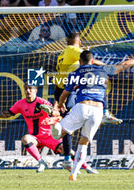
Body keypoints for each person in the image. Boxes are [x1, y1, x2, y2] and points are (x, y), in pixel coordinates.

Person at [45, 50, 134, 181]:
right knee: (84, 143)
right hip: (98, 111)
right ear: (92, 60)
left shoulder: (74, 74)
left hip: (81, 107)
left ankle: (56, 123)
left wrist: (60, 104)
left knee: (58, 135)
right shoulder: (103, 70)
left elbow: (65, 93)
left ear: (80, 62)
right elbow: (123, 65)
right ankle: (74, 173)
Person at [0, 83, 98, 174]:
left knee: (68, 151)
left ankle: (87, 167)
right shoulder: (20, 104)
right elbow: (8, 114)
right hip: (36, 138)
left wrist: (51, 111)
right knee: (25, 139)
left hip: (50, 136)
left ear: (35, 91)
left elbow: (57, 115)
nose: (28, 91)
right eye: (26, 88)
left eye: (30, 89)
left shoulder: (42, 102)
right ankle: (41, 162)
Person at [51, 32, 121, 171]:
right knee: (97, 85)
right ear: (79, 41)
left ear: (66, 41)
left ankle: (66, 158)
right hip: (69, 89)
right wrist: (103, 66)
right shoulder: (75, 50)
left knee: (67, 125)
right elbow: (90, 60)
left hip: (60, 88)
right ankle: (105, 113)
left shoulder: (63, 52)